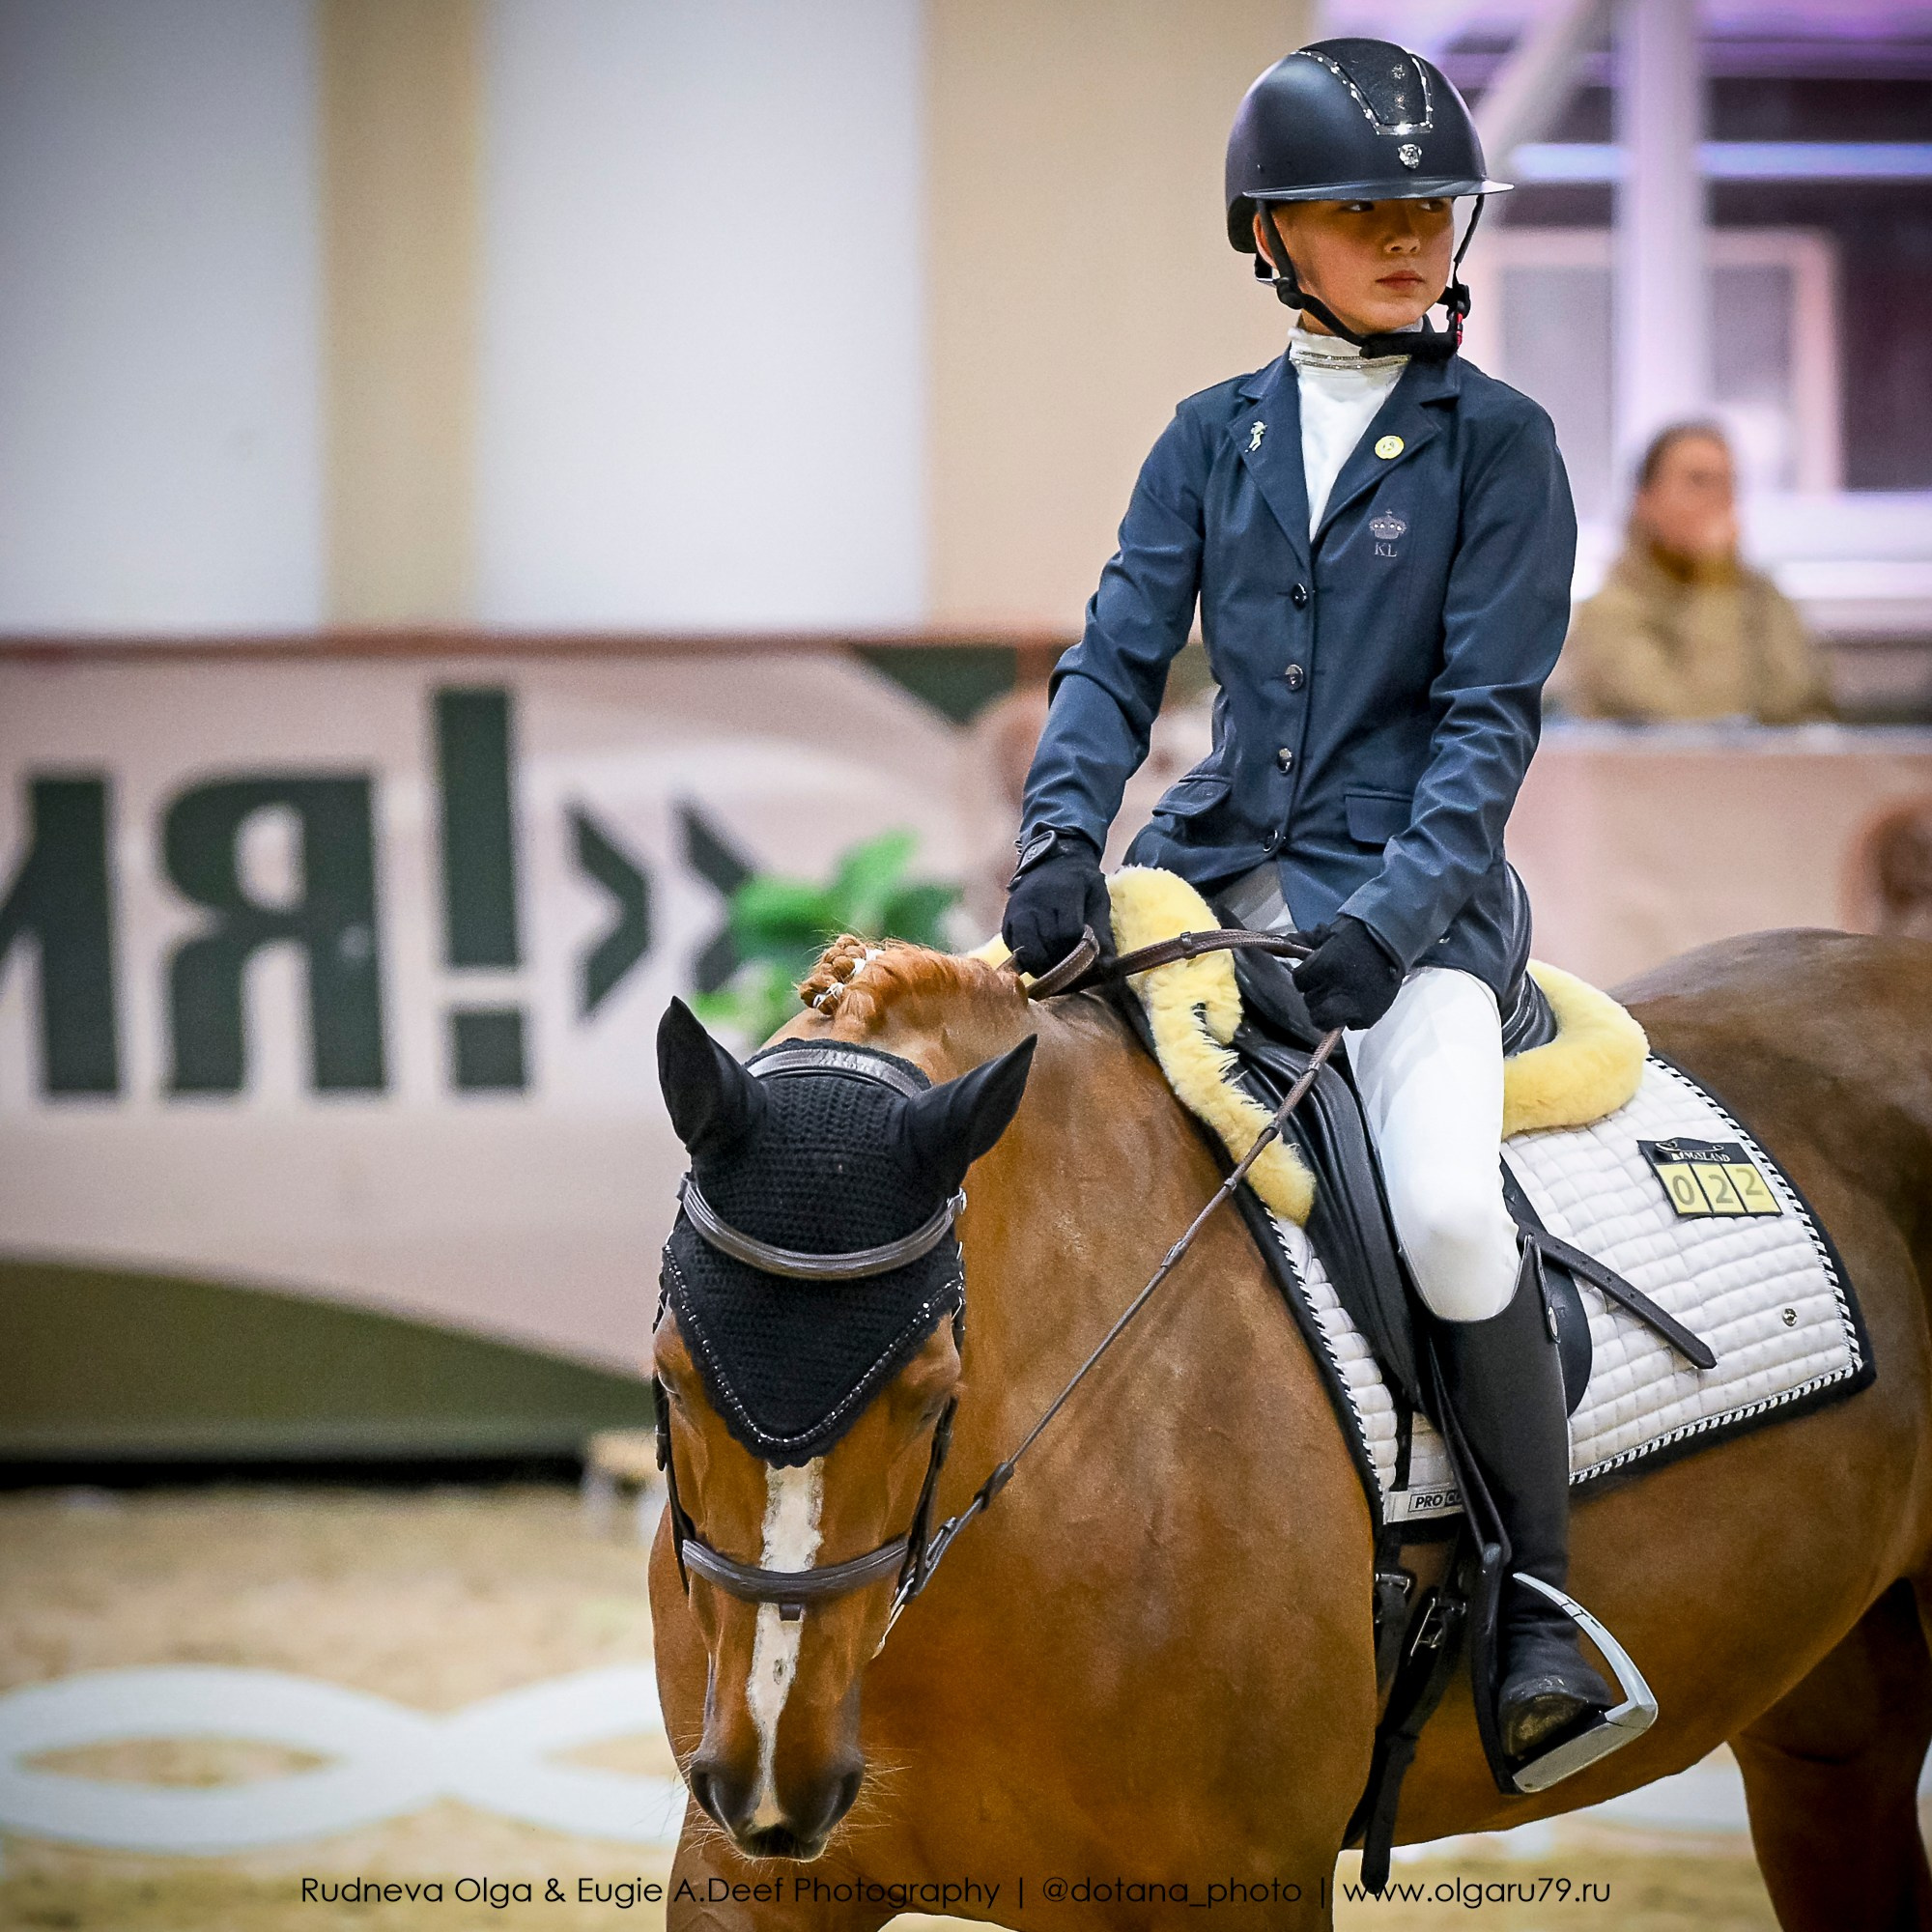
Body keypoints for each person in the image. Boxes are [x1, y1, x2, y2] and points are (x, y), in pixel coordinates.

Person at [1002, 38, 1616, 1762]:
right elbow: (1115, 657)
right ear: (1273, 236)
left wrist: (1398, 918)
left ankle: (1536, 1602)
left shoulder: (1503, 446)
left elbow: (1487, 729)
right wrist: (1062, 842)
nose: (1411, 239)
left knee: (1438, 1208)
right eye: (1366, 212)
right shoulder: (1210, 440)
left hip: (1402, 919)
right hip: (1208, 883)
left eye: (1430, 210)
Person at [1557, 421, 1833, 723]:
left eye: (1727, 484)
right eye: (1698, 482)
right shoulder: (1610, 612)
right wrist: (1715, 584)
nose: (1718, 499)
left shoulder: (1764, 596)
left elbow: (1798, 704)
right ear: (1645, 500)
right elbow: (1706, 720)